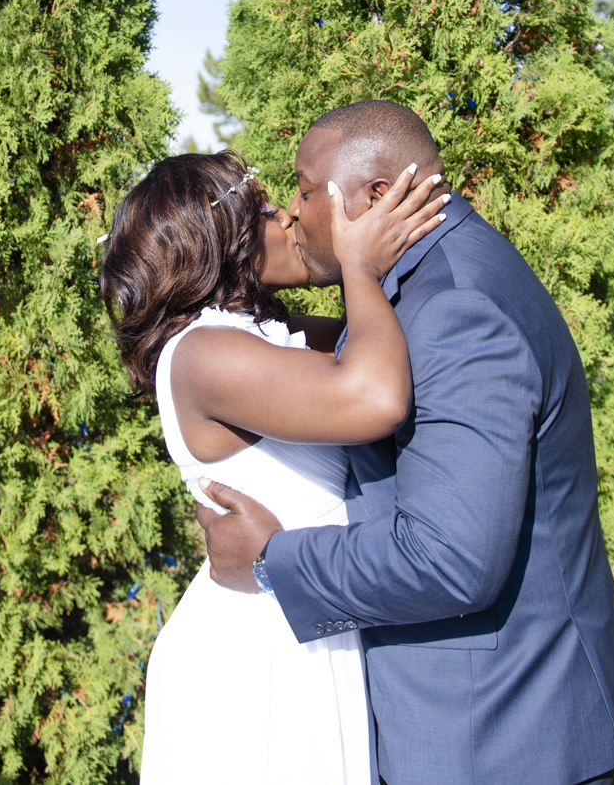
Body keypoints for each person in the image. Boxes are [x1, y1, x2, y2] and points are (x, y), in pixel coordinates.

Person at [196, 100, 614, 785]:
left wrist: (271, 559)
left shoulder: (455, 308)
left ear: (376, 197)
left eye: (305, 189)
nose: (290, 210)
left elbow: (449, 559)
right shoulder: (418, 284)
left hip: (510, 745)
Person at [100, 149, 448, 785]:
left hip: (302, 616)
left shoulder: (262, 333)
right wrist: (358, 265)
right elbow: (374, 395)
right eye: (262, 209)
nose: (288, 213)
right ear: (222, 244)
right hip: (258, 653)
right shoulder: (203, 353)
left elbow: (380, 345)